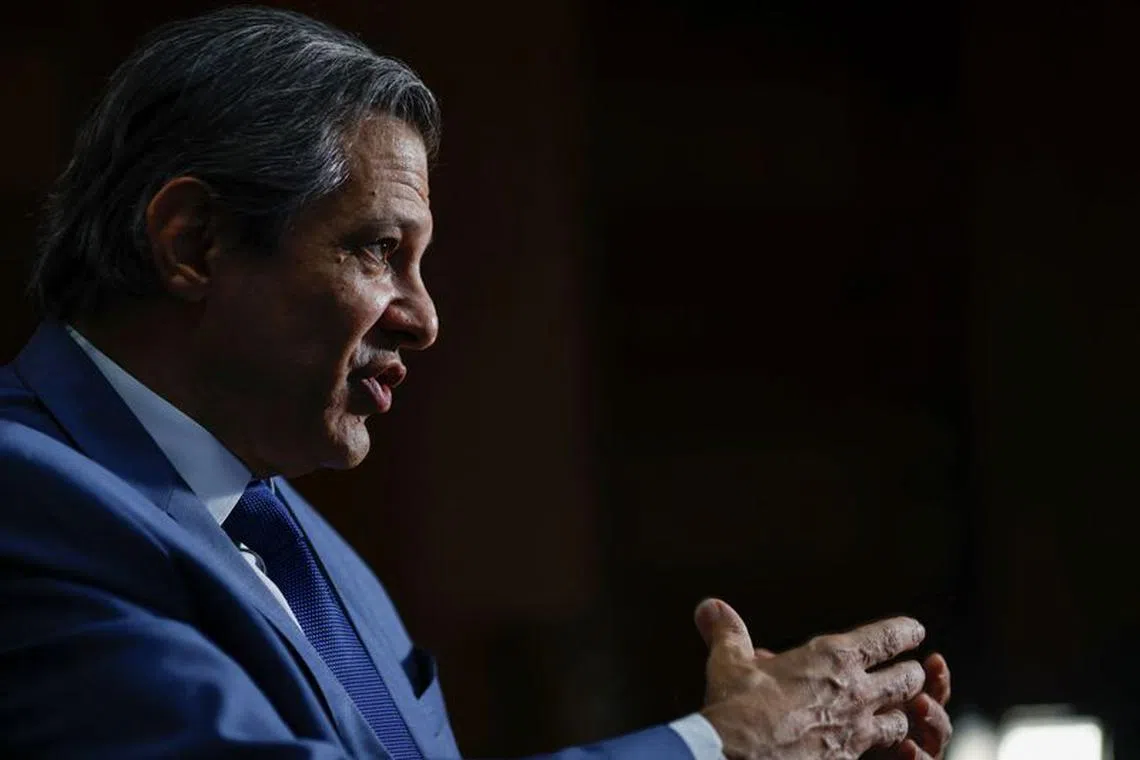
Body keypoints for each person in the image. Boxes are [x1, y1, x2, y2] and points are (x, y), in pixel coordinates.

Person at [0, 7, 952, 760]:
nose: (424, 318)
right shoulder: (27, 498)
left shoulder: (310, 549)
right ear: (195, 243)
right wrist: (715, 747)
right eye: (380, 250)